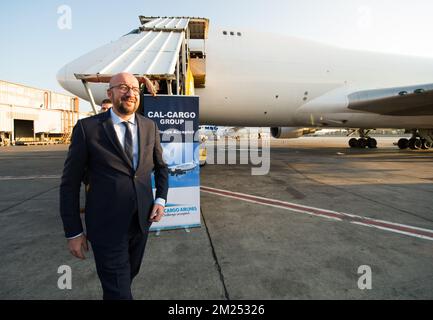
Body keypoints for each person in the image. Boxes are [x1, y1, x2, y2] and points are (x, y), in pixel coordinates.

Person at [60, 72, 169, 300]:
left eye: (135, 89)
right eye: (122, 87)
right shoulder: (87, 129)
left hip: (141, 222)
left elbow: (161, 167)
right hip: (106, 226)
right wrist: (74, 231)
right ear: (110, 93)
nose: (130, 93)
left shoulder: (150, 126)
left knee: (127, 276)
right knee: (118, 289)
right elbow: (69, 185)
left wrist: (160, 199)